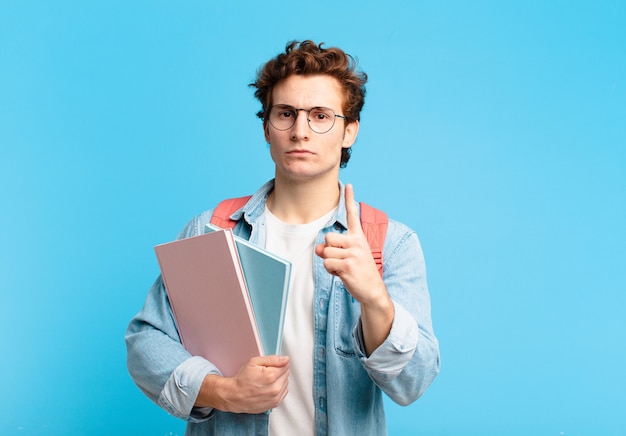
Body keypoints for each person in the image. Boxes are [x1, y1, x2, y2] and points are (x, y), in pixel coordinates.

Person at [125, 40, 440, 435]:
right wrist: (223, 392)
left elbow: (415, 381)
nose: (300, 131)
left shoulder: (390, 243)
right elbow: (145, 342)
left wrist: (375, 298)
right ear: (266, 128)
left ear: (349, 131)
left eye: (321, 115)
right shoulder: (212, 230)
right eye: (286, 114)